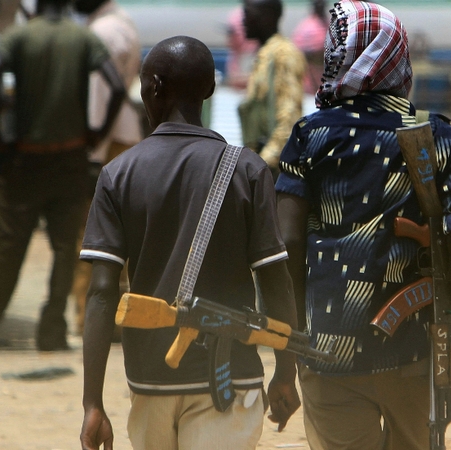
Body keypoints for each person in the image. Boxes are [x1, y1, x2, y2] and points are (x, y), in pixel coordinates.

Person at [275, 2, 451, 449]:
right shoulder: (442, 141)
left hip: (326, 353)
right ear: (397, 59)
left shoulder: (309, 137)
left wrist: (286, 364)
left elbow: (287, 242)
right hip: (413, 351)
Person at [80, 36, 300, 450]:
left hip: (150, 379)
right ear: (210, 91)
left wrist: (93, 403)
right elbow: (275, 281)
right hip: (230, 378)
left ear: (154, 88)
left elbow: (102, 291)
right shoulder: (248, 171)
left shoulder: (117, 174)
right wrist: (286, 371)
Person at [0, 0, 126, 351]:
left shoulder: (18, 36)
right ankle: (51, 332)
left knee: (4, 246)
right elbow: (119, 87)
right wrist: (96, 133)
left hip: (24, 161)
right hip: (71, 159)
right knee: (65, 251)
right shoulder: (83, 38)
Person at [71, 0, 142, 334]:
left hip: (107, 143)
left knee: (93, 237)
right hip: (124, 136)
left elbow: (98, 99)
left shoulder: (104, 31)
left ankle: (90, 319)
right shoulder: (120, 21)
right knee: (123, 237)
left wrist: (92, 154)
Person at [239, 0, 306, 178]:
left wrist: (261, 165)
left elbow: (289, 117)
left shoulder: (284, 54)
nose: (243, 21)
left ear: (267, 17)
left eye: (248, 14)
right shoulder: (266, 54)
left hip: (273, 171)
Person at [291, 0, 328, 97]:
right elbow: (298, 52)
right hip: (308, 79)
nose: (320, 5)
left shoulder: (328, 24)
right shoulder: (306, 27)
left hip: (325, 79)